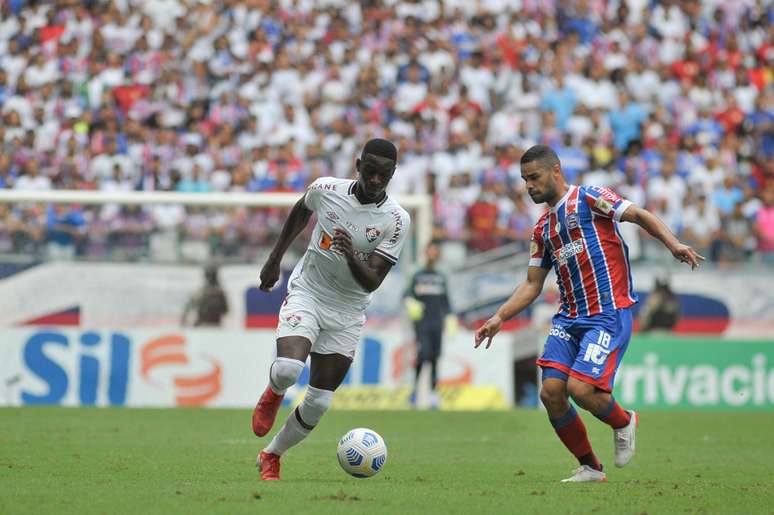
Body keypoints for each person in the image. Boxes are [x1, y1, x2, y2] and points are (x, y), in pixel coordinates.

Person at [474, 145, 703, 483]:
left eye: (534, 177)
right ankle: (591, 467)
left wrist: (674, 244)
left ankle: (624, 421)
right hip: (568, 319)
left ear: (556, 171)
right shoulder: (542, 230)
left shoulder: (590, 198)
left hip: (607, 313)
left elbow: (639, 215)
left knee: (580, 389)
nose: (529, 186)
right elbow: (532, 284)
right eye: (524, 180)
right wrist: (499, 317)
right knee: (551, 393)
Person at [251, 139, 411, 480]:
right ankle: (274, 392)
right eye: (370, 171)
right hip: (308, 292)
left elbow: (372, 282)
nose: (376, 179)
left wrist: (352, 252)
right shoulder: (326, 189)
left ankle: (272, 455)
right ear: (358, 165)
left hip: (348, 310)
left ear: (393, 173)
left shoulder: (396, 219)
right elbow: (300, 210)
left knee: (319, 402)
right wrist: (274, 259)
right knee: (287, 370)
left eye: (384, 174)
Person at [404, 241, 453, 408]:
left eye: (435, 251)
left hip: (436, 320)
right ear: (426, 252)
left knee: (434, 357)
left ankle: (433, 394)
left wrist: (450, 317)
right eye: (430, 251)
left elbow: (446, 298)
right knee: (423, 354)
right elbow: (406, 294)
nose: (433, 254)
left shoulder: (441, 274)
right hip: (421, 321)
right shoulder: (416, 272)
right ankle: (415, 392)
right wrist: (412, 304)